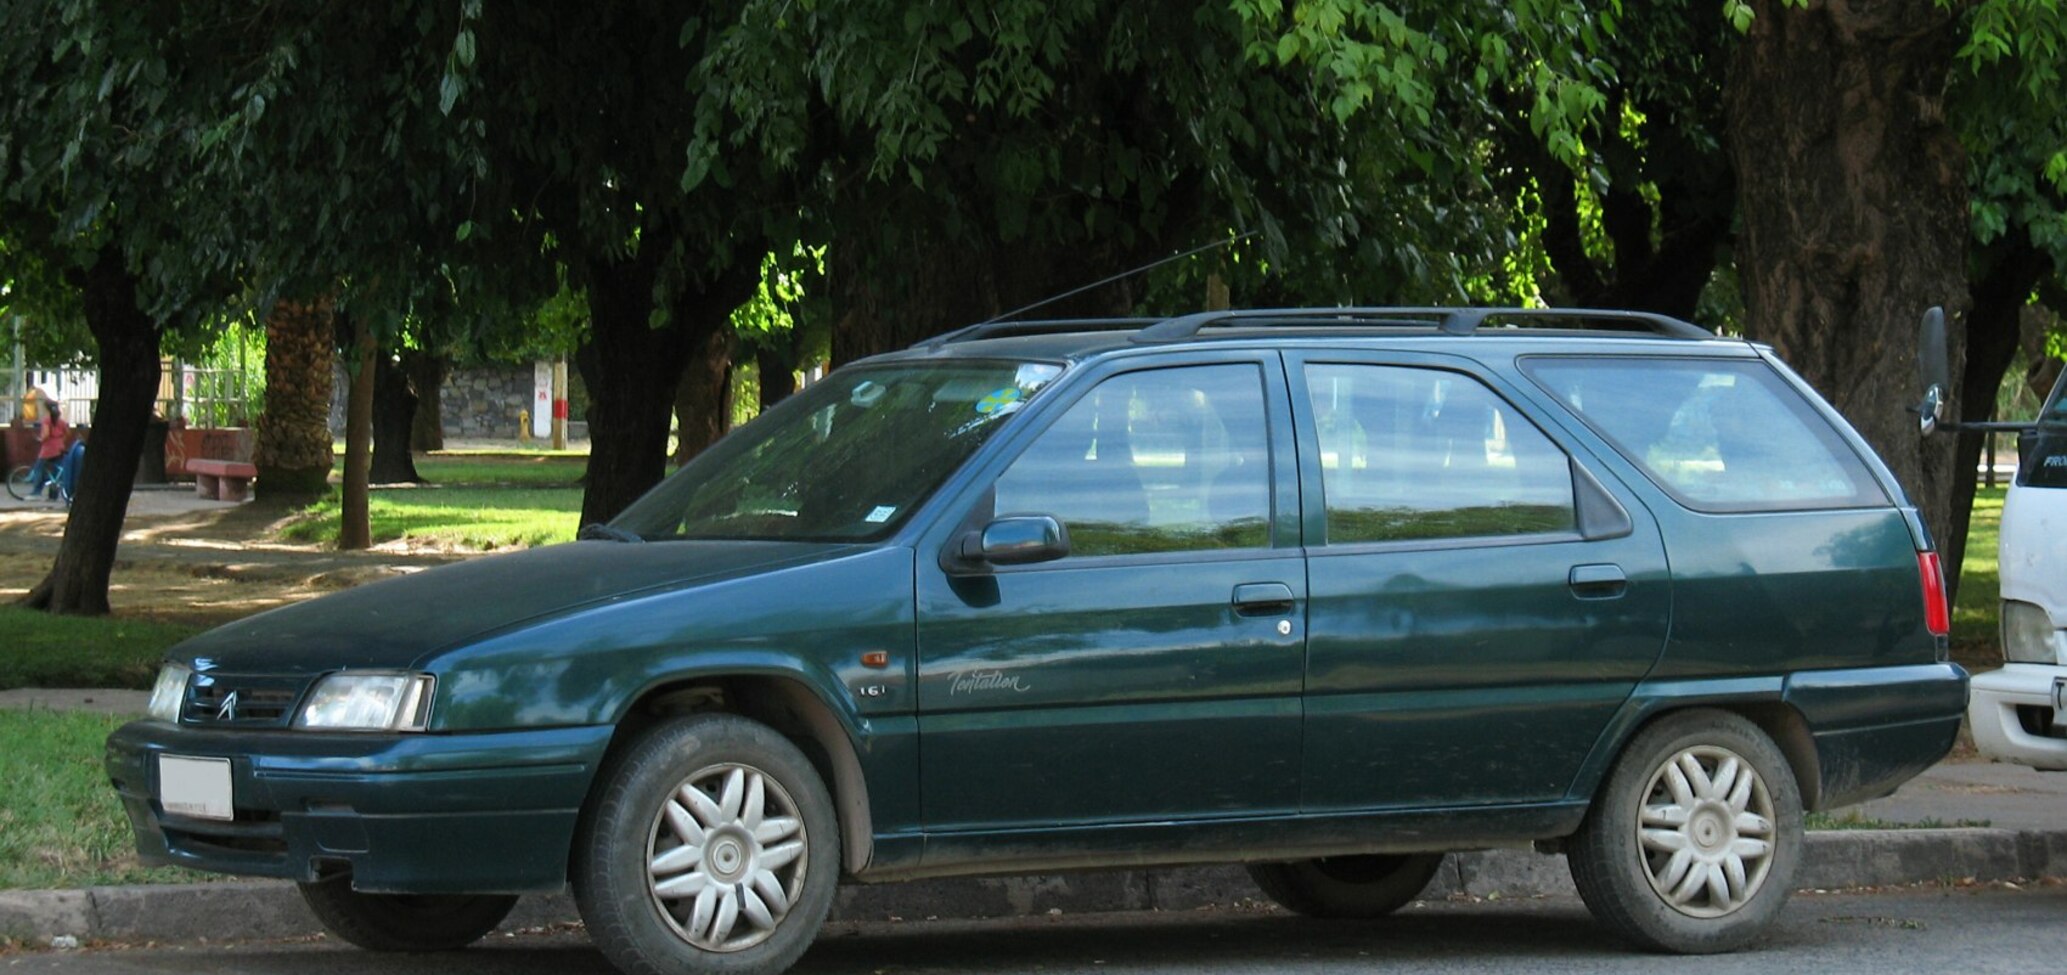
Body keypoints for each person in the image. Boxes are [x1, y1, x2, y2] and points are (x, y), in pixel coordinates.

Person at [24, 402, 68, 501]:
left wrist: (40, 439)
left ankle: (36, 492)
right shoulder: (62, 422)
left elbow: (46, 434)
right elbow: (66, 433)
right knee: (55, 472)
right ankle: (53, 496)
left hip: (48, 449)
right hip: (59, 448)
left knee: (39, 469)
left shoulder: (47, 420)